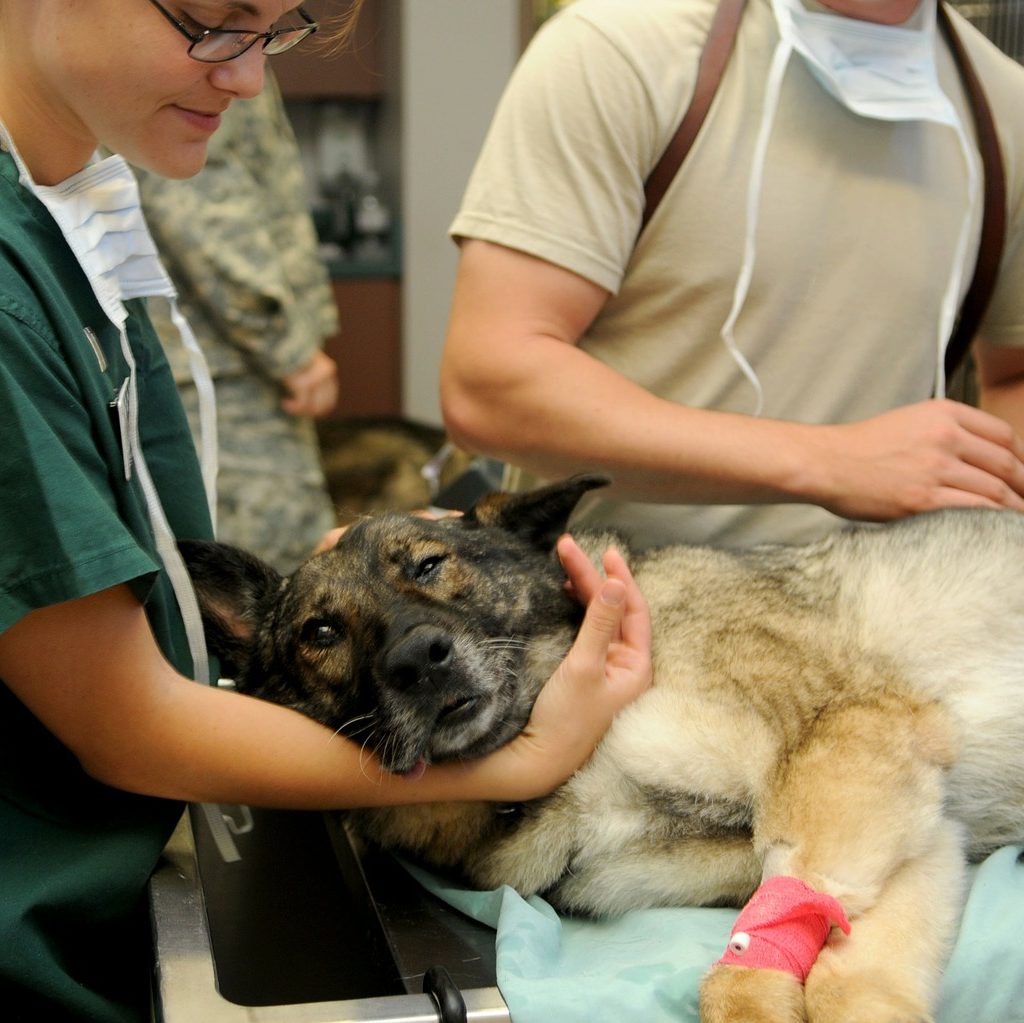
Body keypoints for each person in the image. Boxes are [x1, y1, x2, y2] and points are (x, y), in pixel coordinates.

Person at [0, 3, 652, 1021]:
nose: (249, 79)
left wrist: (384, 578)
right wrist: (528, 756)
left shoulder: (76, 216)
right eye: (213, 23)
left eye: (278, 33)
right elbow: (126, 724)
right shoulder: (10, 291)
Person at [441, 0, 1024, 550]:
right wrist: (830, 461)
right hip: (617, 613)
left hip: (888, 618)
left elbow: (1011, 376)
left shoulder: (1007, 110)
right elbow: (489, 385)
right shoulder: (622, 50)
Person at [135, 70, 340, 574]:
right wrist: (288, 348)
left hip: (206, 361)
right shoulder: (208, 42)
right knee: (271, 586)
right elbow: (200, 206)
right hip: (222, 371)